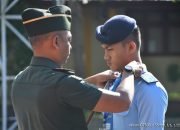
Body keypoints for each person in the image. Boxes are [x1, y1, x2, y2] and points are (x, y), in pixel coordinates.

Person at [11, 5, 143, 130]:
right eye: (68, 40)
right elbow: (122, 102)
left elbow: (54, 96)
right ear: (56, 41)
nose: (70, 46)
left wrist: (89, 82)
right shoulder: (63, 83)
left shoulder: (19, 81)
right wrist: (129, 71)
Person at [96, 15, 168, 130]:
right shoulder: (114, 83)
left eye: (109, 49)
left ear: (131, 47)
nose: (105, 57)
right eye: (104, 49)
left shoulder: (150, 90)